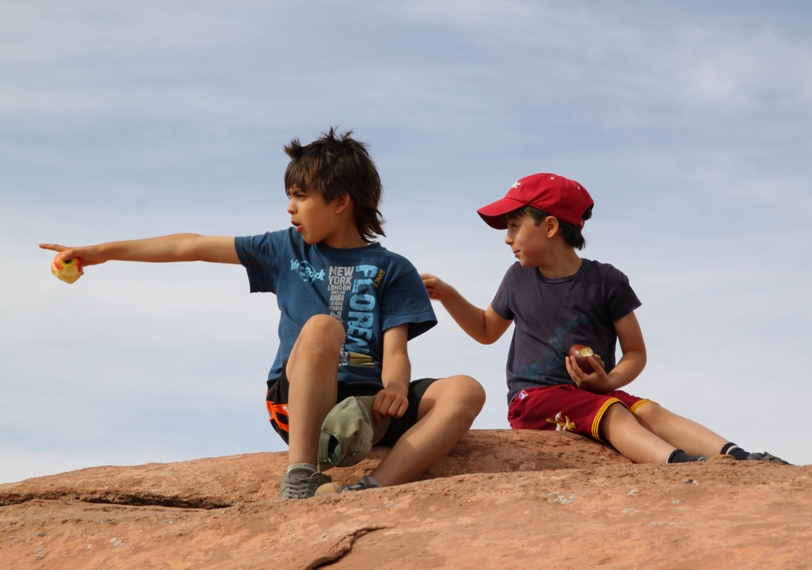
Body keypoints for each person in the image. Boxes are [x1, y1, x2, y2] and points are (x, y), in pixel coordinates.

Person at [41, 128, 486, 499]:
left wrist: (393, 388)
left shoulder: (392, 268)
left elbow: (395, 346)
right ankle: (301, 475)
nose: (290, 207)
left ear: (340, 201)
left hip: (367, 411)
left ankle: (370, 490)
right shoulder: (284, 248)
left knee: (465, 390)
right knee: (321, 327)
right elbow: (190, 245)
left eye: (300, 196)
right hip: (301, 403)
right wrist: (101, 252)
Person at [421, 173, 788, 465]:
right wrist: (449, 295)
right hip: (533, 399)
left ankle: (737, 457)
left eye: (515, 225)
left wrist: (607, 381)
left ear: (550, 227)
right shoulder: (516, 279)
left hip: (593, 394)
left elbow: (635, 353)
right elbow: (487, 331)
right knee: (611, 410)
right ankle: (677, 465)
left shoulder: (606, 281)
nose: (507, 239)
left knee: (650, 411)